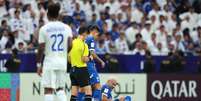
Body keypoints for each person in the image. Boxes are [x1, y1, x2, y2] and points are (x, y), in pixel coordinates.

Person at [36, 3, 72, 101]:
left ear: (47, 14)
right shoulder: (67, 28)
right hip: (62, 62)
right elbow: (70, 45)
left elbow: (41, 48)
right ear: (58, 14)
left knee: (48, 89)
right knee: (60, 89)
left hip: (49, 61)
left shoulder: (44, 29)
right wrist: (64, 53)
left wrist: (39, 64)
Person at [78, 25, 105, 101]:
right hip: (89, 65)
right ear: (94, 31)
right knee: (97, 86)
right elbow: (92, 52)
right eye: (97, 34)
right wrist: (101, 61)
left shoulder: (84, 39)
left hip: (83, 64)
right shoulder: (91, 38)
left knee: (85, 88)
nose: (98, 37)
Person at [69, 26, 92, 101]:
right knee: (88, 91)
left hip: (72, 69)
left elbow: (69, 58)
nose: (87, 37)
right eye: (87, 35)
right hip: (81, 69)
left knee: (74, 93)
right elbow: (84, 59)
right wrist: (90, 58)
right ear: (84, 34)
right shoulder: (84, 45)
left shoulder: (72, 42)